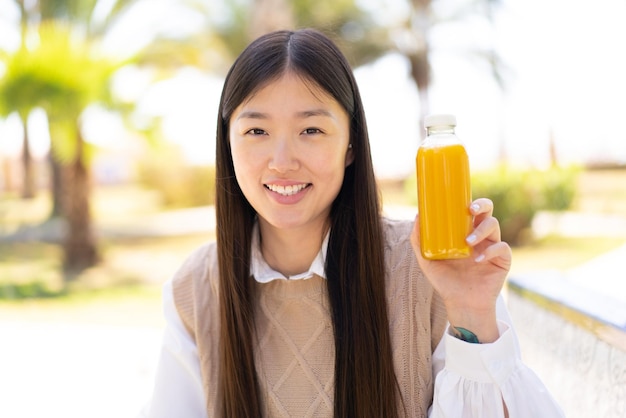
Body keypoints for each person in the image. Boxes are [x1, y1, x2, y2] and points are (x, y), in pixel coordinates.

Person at [140, 28, 564, 417]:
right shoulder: (199, 287)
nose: (283, 161)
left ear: (351, 146)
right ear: (227, 143)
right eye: (256, 132)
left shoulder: (430, 269)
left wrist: (471, 312)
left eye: (311, 130)